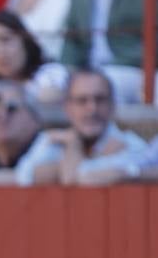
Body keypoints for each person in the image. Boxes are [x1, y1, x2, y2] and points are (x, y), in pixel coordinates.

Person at [61, 0, 158, 104]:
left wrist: (105, 69)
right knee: (48, 82)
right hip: (86, 69)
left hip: (135, 69)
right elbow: (73, 33)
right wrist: (68, 67)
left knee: (99, 87)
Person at [14, 67, 145, 185]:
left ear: (112, 105)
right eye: (82, 101)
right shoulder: (53, 140)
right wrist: (75, 147)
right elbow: (23, 175)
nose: (92, 109)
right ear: (67, 107)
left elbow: (75, 178)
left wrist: (69, 159)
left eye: (100, 99)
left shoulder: (131, 144)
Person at [0, 10, 67, 105]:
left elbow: (52, 101)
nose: (0, 51)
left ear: (25, 41)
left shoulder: (51, 72)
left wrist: (19, 96)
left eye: (6, 40)